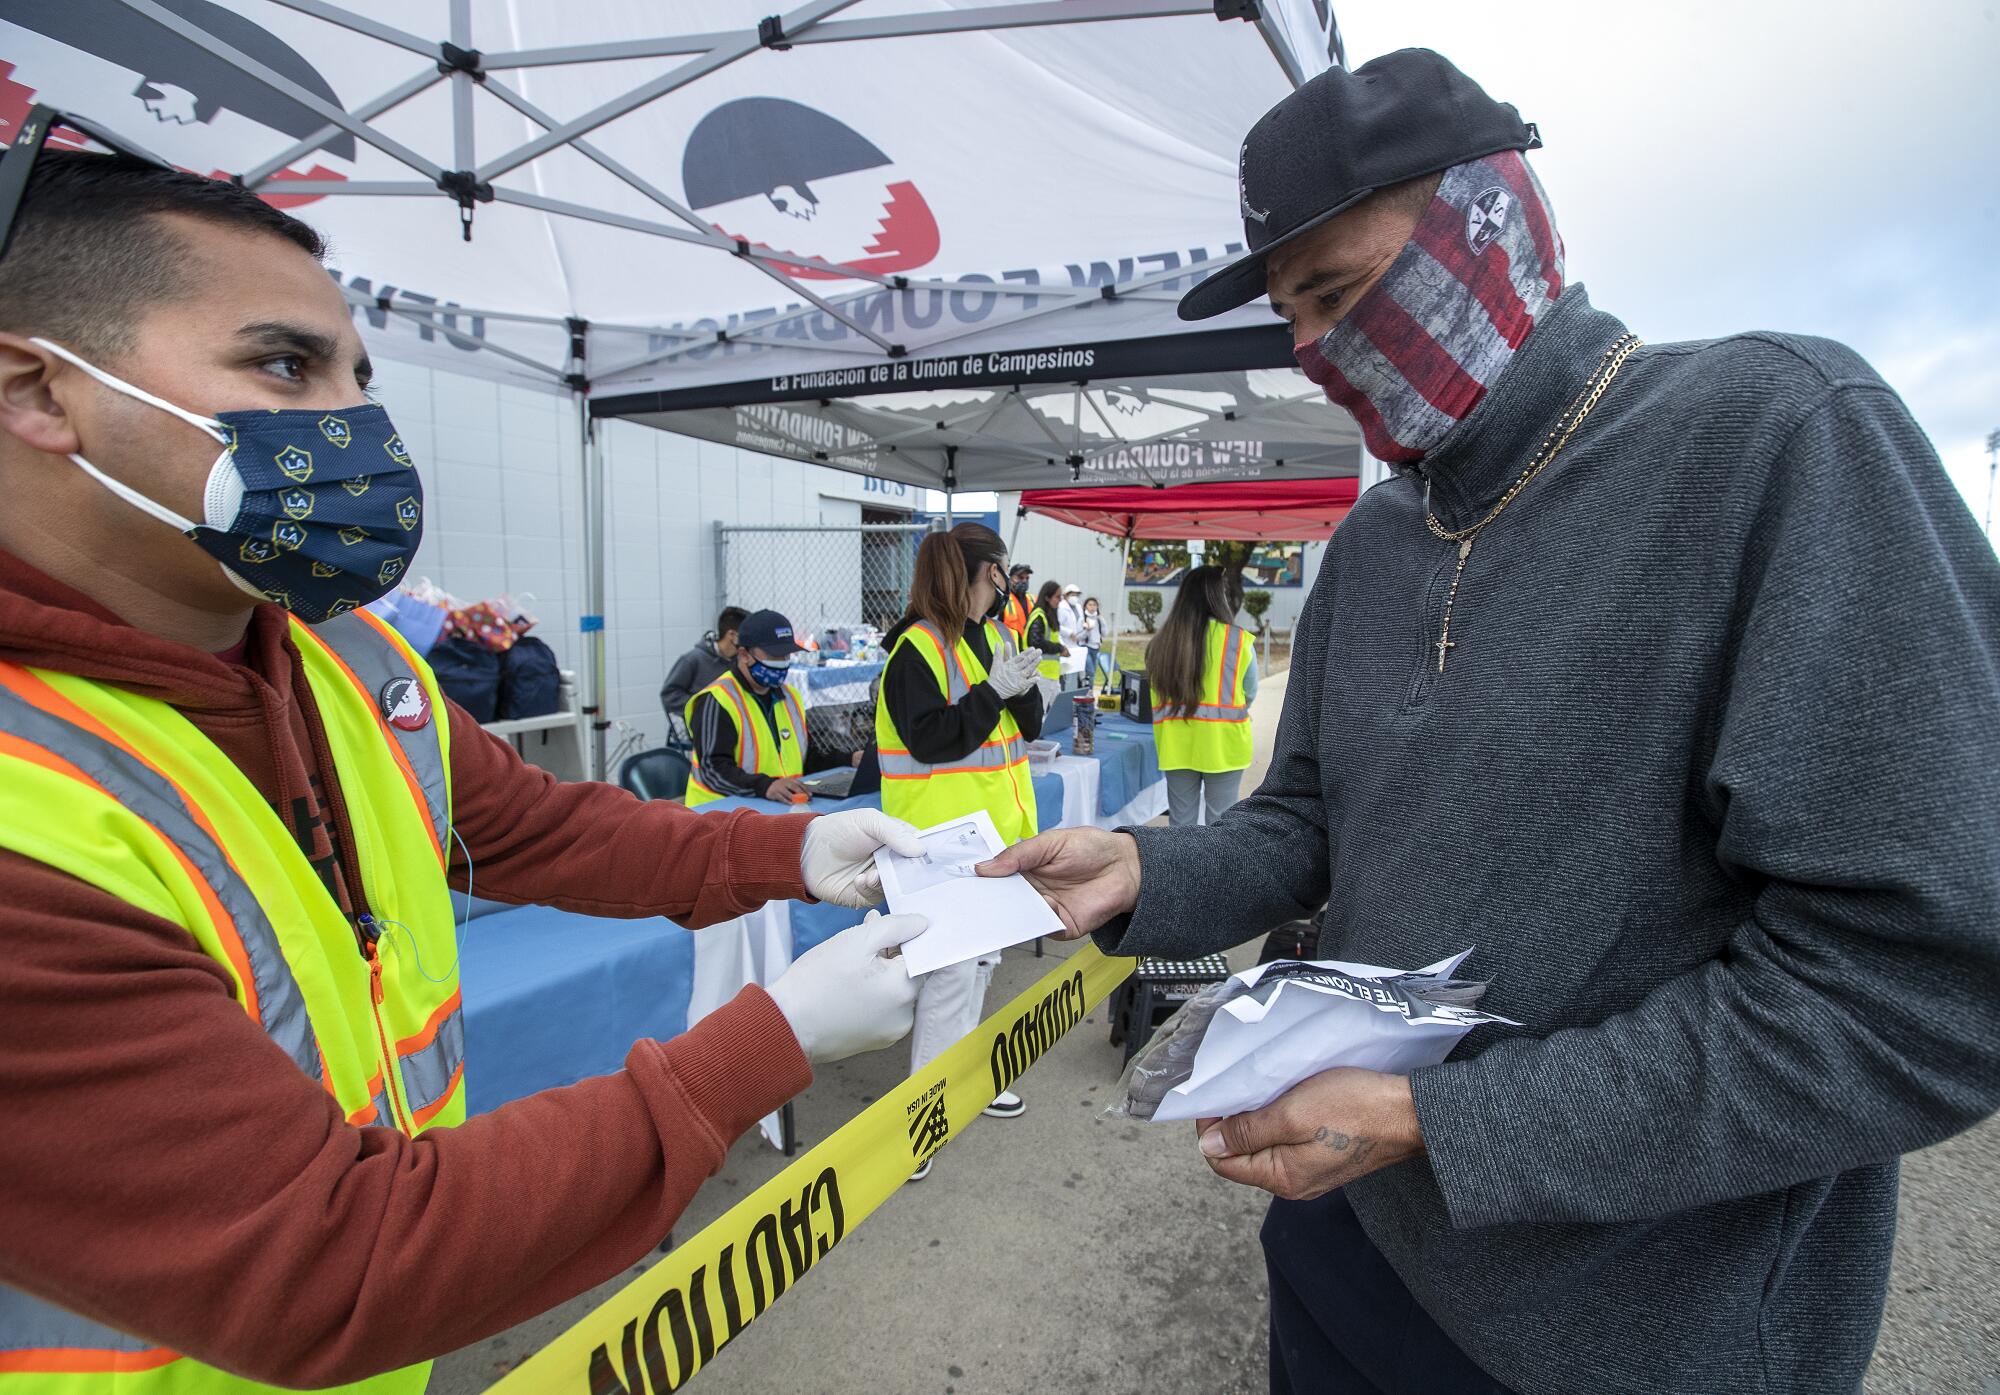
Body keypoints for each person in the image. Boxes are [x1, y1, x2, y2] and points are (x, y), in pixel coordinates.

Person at [979, 50, 2000, 1395]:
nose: (1310, 352)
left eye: (1338, 293)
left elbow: (1920, 993)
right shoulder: (1379, 539)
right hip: (1344, 1241)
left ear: (1491, 224)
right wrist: (1148, 869)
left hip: (1627, 1332)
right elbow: (1309, 820)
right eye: (1288, 317)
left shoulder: (1776, 438)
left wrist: (1443, 1118)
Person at [0, 141, 934, 1392]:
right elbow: (325, 1262)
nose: (357, 427)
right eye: (285, 364)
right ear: (37, 390)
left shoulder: (343, 654)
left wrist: (790, 852)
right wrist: (763, 1045)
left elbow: (540, 829)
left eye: (356, 376)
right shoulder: (26, 810)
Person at [877, 522, 1046, 1175]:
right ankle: (921, 1117)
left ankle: (967, 1079)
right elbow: (932, 738)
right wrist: (992, 692)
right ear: (979, 575)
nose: (1004, 588)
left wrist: (1022, 684)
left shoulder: (989, 638)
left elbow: (1022, 726)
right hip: (940, 844)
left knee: (979, 967)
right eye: (998, 574)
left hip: (992, 837)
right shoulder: (916, 647)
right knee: (949, 978)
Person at [684, 608, 860, 805]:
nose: (782, 663)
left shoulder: (789, 697)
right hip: (718, 815)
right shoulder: (717, 700)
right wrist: (765, 786)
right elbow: (713, 769)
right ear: (744, 655)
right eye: (774, 655)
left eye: (786, 655)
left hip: (771, 807)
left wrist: (849, 760)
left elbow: (805, 757)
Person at [1148, 566, 1257, 827]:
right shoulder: (1237, 640)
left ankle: (1180, 869)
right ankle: (1216, 870)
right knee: (1221, 824)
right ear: (1218, 596)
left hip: (1176, 744)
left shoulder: (1161, 643)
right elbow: (1250, 691)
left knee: (1181, 824)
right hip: (1224, 744)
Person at [660, 605, 744, 730]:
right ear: (731, 635)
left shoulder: (742, 661)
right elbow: (669, 694)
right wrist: (702, 708)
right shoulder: (693, 659)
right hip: (705, 728)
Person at [1022, 578, 1069, 683]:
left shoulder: (1049, 616)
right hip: (1039, 674)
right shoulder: (1039, 616)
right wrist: (1059, 648)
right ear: (1047, 597)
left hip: (1050, 675)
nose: (1060, 600)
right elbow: (1035, 642)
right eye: (1057, 597)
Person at [1057, 582, 1088, 680]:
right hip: (1065, 643)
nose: (1075, 597)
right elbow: (1057, 626)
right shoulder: (1061, 607)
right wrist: (1070, 633)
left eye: (1076, 595)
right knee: (1067, 671)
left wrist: (1085, 627)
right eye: (1072, 595)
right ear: (1066, 595)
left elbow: (1080, 622)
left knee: (1077, 670)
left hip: (1077, 643)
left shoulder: (1078, 607)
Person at [999, 561, 1033, 644]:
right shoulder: (1002, 600)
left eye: (1027, 578)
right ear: (1010, 578)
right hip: (1010, 648)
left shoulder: (1032, 599)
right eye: (1020, 577)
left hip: (1030, 650)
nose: (1024, 581)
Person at [1080, 595, 1108, 687]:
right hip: (1085, 647)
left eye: (1094, 605)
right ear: (1085, 606)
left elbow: (1104, 634)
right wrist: (1087, 629)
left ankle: (1086, 688)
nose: (1092, 607)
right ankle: (1089, 690)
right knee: (1090, 671)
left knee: (1092, 673)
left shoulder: (1099, 619)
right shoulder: (1082, 618)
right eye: (1090, 605)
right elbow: (1079, 636)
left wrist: (1102, 621)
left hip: (1096, 648)